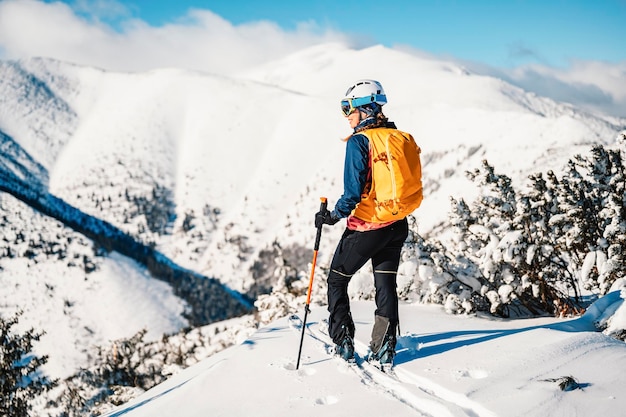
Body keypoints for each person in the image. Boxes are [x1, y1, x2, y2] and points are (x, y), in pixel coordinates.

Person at [315, 79, 422, 366]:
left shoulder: (360, 142)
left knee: (337, 280)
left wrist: (332, 216)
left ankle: (343, 341)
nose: (346, 114)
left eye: (348, 107)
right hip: (397, 225)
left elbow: (352, 193)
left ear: (365, 109)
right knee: (385, 284)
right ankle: (385, 347)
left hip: (367, 227)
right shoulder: (396, 137)